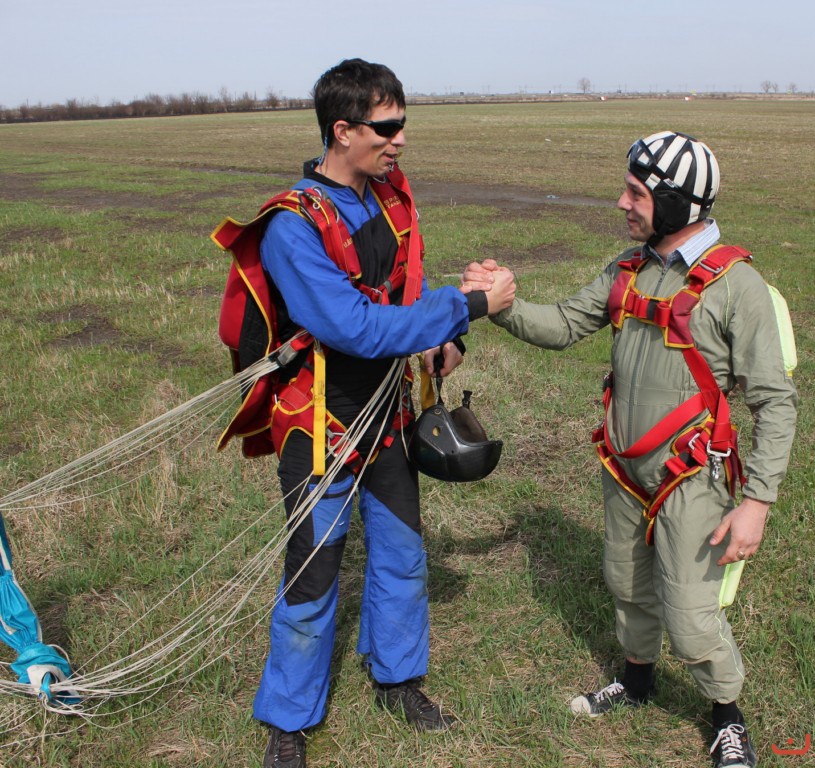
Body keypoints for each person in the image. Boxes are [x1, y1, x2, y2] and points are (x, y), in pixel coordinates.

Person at [462, 131, 797, 768]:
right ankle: (638, 680)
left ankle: (727, 715)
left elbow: (776, 403)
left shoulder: (737, 286)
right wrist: (500, 304)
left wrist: (756, 502)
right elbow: (564, 324)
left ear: (675, 203)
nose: (622, 203)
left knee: (691, 616)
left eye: (636, 194)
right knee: (627, 584)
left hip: (690, 477)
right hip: (624, 471)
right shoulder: (629, 269)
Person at [224, 59, 515, 768]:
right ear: (342, 130)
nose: (400, 140)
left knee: (402, 554)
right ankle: (288, 721)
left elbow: (404, 292)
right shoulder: (292, 225)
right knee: (313, 571)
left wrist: (444, 340)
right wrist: (470, 305)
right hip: (321, 424)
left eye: (402, 124)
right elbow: (351, 326)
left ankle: (398, 680)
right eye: (386, 128)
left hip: (389, 415)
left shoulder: (388, 200)